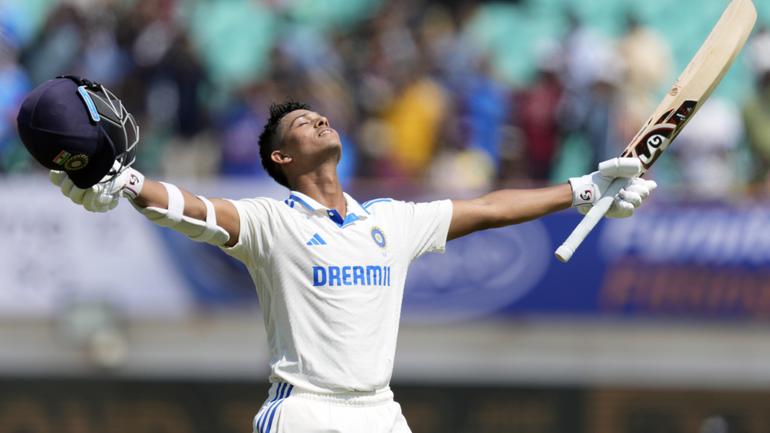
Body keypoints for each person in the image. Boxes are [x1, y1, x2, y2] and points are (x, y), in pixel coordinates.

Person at [43, 95, 655, 432]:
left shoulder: (390, 221)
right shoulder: (272, 221)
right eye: (300, 122)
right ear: (281, 156)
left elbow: (489, 208)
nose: (319, 116)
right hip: (305, 411)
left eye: (321, 114)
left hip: (381, 411)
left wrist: (583, 188)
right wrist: (129, 184)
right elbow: (195, 211)